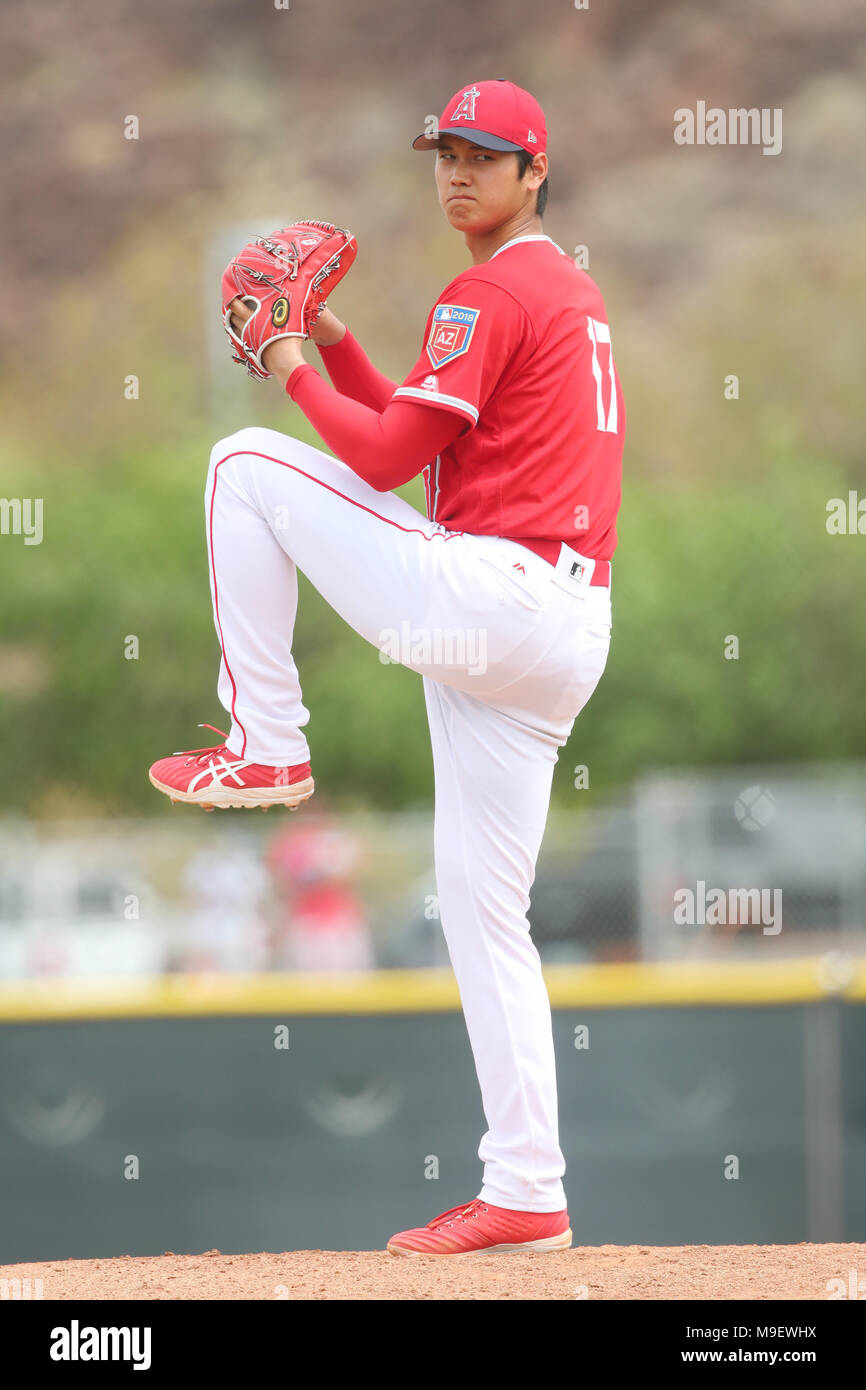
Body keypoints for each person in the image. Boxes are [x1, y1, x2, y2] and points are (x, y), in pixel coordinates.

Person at [149, 79, 625, 1255]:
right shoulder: (557, 287)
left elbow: (370, 455)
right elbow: (409, 456)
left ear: (533, 171)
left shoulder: (488, 288)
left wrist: (282, 359)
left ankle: (266, 738)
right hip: (550, 632)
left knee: (241, 465)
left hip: (494, 599)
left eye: (483, 155)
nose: (457, 172)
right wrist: (335, 342)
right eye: (443, 154)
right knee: (481, 913)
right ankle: (527, 1189)